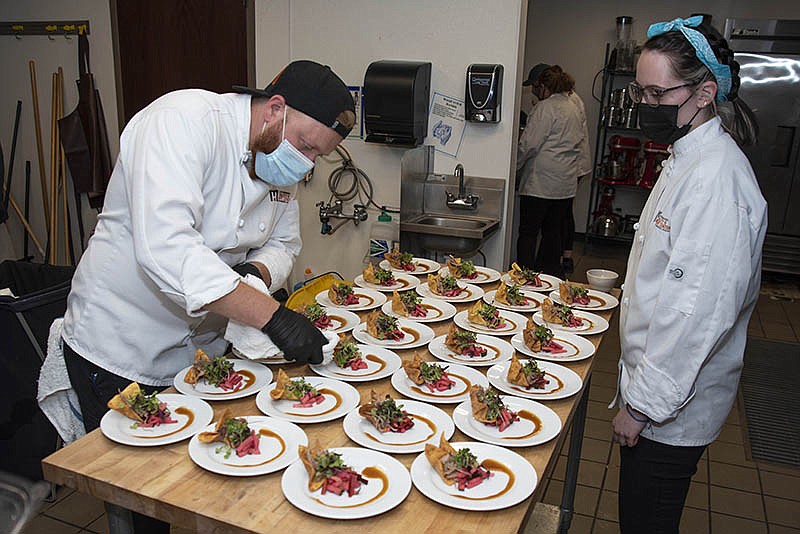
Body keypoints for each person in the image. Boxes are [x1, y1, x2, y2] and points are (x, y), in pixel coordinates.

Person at [58, 60, 355, 532]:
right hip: (123, 346)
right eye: (305, 145)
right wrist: (272, 317)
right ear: (274, 109)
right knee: (141, 501)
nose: (306, 163)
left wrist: (253, 274)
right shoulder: (182, 121)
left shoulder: (279, 157)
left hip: (200, 356)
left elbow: (284, 244)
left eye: (316, 156)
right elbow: (166, 247)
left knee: (202, 482)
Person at [609, 16, 765, 533]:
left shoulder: (718, 183)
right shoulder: (686, 158)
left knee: (646, 523)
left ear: (704, 92)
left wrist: (641, 407)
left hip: (670, 409)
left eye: (657, 94)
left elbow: (696, 313)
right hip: (657, 393)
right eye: (640, 91)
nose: (646, 107)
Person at [516, 65, 584, 276]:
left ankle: (525, 278)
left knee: (528, 233)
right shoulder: (573, 107)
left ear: (544, 87)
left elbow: (529, 144)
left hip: (540, 184)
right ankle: (549, 277)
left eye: (537, 87)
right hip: (564, 185)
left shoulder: (545, 108)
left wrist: (513, 167)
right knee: (553, 233)